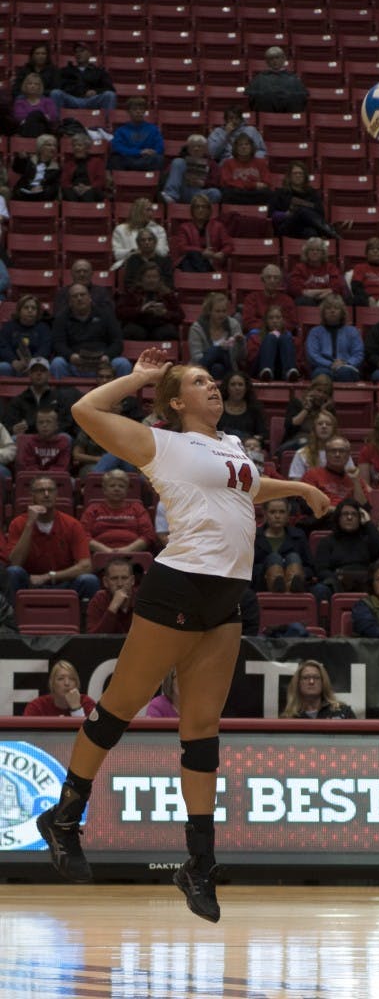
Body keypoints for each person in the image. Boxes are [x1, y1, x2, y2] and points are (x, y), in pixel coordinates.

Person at [35, 348, 329, 923]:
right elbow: (85, 410)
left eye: (215, 380)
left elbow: (244, 487)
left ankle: (199, 862)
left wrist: (296, 491)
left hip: (229, 593)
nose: (214, 387)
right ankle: (66, 815)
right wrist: (140, 378)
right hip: (180, 584)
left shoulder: (232, 446)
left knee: (201, 731)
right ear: (174, 400)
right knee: (119, 706)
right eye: (200, 381)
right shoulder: (159, 443)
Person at [7, 474, 100, 601]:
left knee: (89, 580)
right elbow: (15, 563)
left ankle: (85, 620)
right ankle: (12, 620)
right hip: (29, 582)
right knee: (13, 572)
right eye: (41, 491)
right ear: (32, 495)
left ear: (56, 494)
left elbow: (86, 566)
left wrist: (49, 576)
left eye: (50, 490)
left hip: (63, 582)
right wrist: (29, 525)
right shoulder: (18, 523)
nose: (46, 494)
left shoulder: (72, 524)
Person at [50, 284, 132, 379]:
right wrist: (71, 356)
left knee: (123, 363)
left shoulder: (106, 315)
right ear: (70, 302)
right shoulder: (61, 318)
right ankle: (63, 393)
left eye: (82, 294)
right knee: (57, 363)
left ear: (90, 298)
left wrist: (107, 356)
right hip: (75, 363)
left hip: (103, 364)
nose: (79, 298)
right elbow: (58, 344)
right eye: (75, 296)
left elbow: (117, 342)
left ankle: (121, 394)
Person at [314, 499, 379, 600]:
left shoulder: (367, 539)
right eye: (345, 514)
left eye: (354, 514)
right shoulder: (327, 541)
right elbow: (321, 570)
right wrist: (338, 580)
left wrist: (368, 523)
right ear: (338, 518)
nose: (349, 517)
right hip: (336, 583)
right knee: (320, 589)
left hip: (364, 583)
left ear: (360, 518)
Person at [300, 434, 370, 530]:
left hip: (351, 522)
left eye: (342, 451)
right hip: (323, 522)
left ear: (348, 455)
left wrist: (356, 482)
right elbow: (307, 505)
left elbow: (364, 508)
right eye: (333, 451)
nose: (337, 454)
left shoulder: (356, 478)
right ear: (326, 454)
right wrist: (336, 510)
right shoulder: (312, 475)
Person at [80, 469, 155, 556]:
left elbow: (148, 535)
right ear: (104, 490)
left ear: (127, 490)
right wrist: (106, 551)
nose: (117, 489)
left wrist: (127, 550)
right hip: (99, 554)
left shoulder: (137, 508)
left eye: (121, 486)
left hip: (133, 555)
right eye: (112, 486)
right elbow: (83, 535)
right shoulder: (93, 509)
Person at [3, 357, 80, 437]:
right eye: (35, 371)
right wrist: (13, 429)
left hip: (53, 438)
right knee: (15, 438)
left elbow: (66, 422)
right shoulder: (19, 400)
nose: (39, 373)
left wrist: (54, 430)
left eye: (42, 370)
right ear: (29, 374)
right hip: (28, 439)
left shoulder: (59, 398)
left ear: (49, 374)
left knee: (65, 437)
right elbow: (7, 425)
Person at [252, 498, 314, 593]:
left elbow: (310, 568)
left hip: (298, 586)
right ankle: (278, 588)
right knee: (274, 558)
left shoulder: (299, 535)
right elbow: (249, 569)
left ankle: (291, 587)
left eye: (282, 512)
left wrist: (291, 570)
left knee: (293, 557)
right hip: (262, 584)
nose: (277, 516)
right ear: (265, 513)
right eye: (272, 512)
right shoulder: (254, 537)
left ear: (288, 514)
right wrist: (267, 570)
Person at [268, 160, 336, 239]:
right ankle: (330, 232)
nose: (298, 175)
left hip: (306, 226)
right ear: (289, 176)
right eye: (295, 173)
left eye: (300, 173)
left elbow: (320, 214)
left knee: (311, 232)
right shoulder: (280, 193)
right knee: (301, 211)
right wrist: (286, 214)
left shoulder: (312, 193)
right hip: (287, 227)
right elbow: (272, 215)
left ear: (305, 176)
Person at [116, 263, 183, 340]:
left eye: (155, 277)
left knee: (168, 332)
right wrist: (140, 310)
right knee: (132, 331)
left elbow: (180, 316)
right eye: (148, 277)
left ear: (159, 279)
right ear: (141, 279)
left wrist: (165, 313)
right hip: (138, 325)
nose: (152, 280)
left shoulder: (167, 294)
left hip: (160, 326)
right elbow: (119, 312)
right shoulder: (132, 293)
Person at [306, 294, 364, 382]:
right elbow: (313, 355)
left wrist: (346, 363)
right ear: (323, 312)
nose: (332, 311)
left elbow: (358, 354)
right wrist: (330, 364)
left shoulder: (353, 331)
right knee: (321, 374)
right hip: (322, 367)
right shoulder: (315, 332)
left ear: (342, 312)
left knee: (345, 373)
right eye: (328, 308)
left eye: (336, 308)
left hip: (347, 367)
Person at [50, 41, 116, 117]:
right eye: (76, 52)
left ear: (89, 54)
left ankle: (106, 125)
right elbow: (59, 86)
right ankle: (55, 124)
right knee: (55, 93)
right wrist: (74, 90)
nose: (78, 54)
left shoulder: (99, 71)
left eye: (82, 51)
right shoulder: (66, 70)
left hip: (91, 100)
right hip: (72, 99)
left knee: (110, 95)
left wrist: (95, 91)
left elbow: (110, 88)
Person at [188, 292, 245, 379]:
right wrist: (217, 350)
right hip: (202, 369)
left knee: (220, 359)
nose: (221, 315)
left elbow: (239, 357)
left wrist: (241, 344)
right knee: (217, 366)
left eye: (224, 311)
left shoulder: (234, 325)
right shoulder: (197, 328)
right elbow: (197, 358)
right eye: (218, 311)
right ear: (209, 311)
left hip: (228, 367)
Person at [173, 193, 233, 272]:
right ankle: (202, 276)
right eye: (197, 207)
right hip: (192, 263)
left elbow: (228, 245)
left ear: (209, 210)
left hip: (212, 263)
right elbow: (182, 247)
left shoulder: (218, 226)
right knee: (191, 256)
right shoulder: (184, 227)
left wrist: (222, 253)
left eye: (204, 207)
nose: (200, 210)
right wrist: (202, 252)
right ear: (192, 210)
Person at [288, 409, 354, 479]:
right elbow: (296, 483)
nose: (324, 426)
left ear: (333, 429)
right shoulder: (301, 454)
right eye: (320, 424)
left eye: (328, 424)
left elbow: (351, 479)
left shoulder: (341, 453)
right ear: (314, 429)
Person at [278, 373, 336, 452]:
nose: (321, 395)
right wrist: (307, 408)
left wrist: (323, 410)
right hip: (294, 443)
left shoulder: (328, 408)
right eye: (318, 390)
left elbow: (331, 432)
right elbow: (290, 426)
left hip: (318, 444)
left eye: (325, 393)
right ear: (311, 389)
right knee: (306, 442)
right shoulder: (297, 402)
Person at [281, 659, 355, 719]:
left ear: (323, 682)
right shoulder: (288, 718)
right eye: (306, 678)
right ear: (298, 683)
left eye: (316, 678)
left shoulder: (344, 712)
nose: (311, 682)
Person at [160, 133, 221, 204]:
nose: (196, 149)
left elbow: (216, 182)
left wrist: (204, 183)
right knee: (178, 162)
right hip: (182, 191)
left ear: (205, 149)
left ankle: (200, 209)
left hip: (199, 193)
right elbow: (167, 177)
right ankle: (171, 196)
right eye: (193, 146)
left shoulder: (211, 163)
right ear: (188, 148)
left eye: (199, 146)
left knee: (216, 193)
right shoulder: (180, 161)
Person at [245, 46, 309, 113]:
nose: (274, 61)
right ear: (267, 61)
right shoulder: (258, 79)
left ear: (284, 59)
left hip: (289, 119)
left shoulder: (294, 79)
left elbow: (302, 100)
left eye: (277, 58)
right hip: (265, 119)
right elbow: (252, 101)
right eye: (271, 59)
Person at [111, 198, 169, 271]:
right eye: (148, 210)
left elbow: (163, 253)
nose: (151, 214)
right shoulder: (120, 229)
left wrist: (148, 249)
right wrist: (133, 251)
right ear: (137, 212)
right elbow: (117, 255)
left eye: (152, 210)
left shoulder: (159, 229)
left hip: (153, 265)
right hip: (129, 265)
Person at [246, 304, 300, 382]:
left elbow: (298, 362)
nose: (274, 321)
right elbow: (251, 360)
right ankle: (266, 371)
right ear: (266, 321)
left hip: (282, 370)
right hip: (260, 369)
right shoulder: (255, 337)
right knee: (271, 338)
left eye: (278, 318)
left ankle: (289, 372)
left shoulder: (291, 339)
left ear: (283, 320)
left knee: (284, 338)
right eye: (271, 318)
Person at [23, 660, 96, 718]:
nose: (67, 683)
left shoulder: (87, 703)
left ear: (77, 684)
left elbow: (93, 734)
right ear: (52, 684)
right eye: (60, 679)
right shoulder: (37, 707)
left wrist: (76, 709)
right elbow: (26, 735)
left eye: (72, 679)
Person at [0, 295, 52, 376]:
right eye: (26, 307)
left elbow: (45, 348)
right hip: (13, 365)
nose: (30, 310)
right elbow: (3, 347)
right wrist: (13, 361)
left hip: (36, 365)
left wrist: (32, 363)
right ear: (19, 310)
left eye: (33, 308)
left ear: (37, 312)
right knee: (3, 367)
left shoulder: (43, 328)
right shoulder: (8, 327)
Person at [108, 96, 164, 172]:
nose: (138, 112)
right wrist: (139, 152)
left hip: (146, 160)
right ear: (128, 112)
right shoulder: (121, 130)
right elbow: (118, 147)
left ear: (144, 111)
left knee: (158, 158)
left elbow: (160, 147)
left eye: (141, 109)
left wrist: (153, 152)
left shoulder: (153, 129)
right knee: (115, 159)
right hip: (128, 159)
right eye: (134, 109)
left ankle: (152, 182)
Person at [86, 556, 137, 635]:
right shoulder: (98, 600)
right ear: (105, 582)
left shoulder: (142, 600)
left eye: (124, 578)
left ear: (132, 581)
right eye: (114, 578)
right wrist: (113, 607)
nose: (120, 584)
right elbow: (94, 640)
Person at [241, 264, 298, 334]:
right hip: (259, 332)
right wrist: (268, 327)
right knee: (253, 333)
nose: (272, 280)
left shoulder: (287, 300)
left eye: (276, 278)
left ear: (280, 281)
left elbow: (291, 322)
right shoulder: (251, 298)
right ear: (263, 279)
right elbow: (248, 321)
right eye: (268, 277)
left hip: (280, 333)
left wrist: (276, 329)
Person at [287, 237, 346, 304]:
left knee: (333, 300)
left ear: (323, 253)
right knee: (303, 301)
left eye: (318, 250)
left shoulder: (331, 268)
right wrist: (325, 290)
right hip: (307, 300)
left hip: (326, 299)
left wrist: (310, 292)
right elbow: (294, 288)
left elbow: (337, 287)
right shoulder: (299, 268)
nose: (315, 252)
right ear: (306, 252)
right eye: (311, 250)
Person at [16, 407, 71, 473]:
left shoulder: (63, 442)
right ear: (36, 425)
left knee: (72, 481)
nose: (44, 425)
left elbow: (62, 466)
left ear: (56, 425)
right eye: (40, 422)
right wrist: (42, 477)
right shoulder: (30, 442)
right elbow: (29, 467)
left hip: (57, 477)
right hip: (33, 478)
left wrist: (47, 476)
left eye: (49, 422)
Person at [219, 134, 271, 205]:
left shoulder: (261, 162)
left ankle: (261, 213)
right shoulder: (228, 163)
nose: (244, 147)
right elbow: (227, 183)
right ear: (236, 148)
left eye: (247, 144)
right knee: (227, 193)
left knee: (267, 193)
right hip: (237, 193)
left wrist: (246, 186)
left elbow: (267, 182)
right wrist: (252, 185)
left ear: (251, 147)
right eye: (240, 145)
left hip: (255, 194)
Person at [216, 371, 267, 443]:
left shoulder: (254, 408)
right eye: (233, 385)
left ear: (246, 388)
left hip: (247, 447)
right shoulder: (217, 408)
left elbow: (263, 434)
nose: (237, 388)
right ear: (227, 387)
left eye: (240, 385)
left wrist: (252, 440)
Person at [11, 133, 61, 201]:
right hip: (25, 191)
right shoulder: (29, 161)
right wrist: (20, 159)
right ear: (40, 147)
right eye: (49, 145)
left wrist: (42, 189)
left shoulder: (56, 167)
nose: (53, 148)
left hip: (42, 194)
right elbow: (16, 169)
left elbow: (54, 186)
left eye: (54, 145)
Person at [61, 132, 107, 202]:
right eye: (74, 145)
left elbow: (101, 180)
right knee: (68, 193)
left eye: (79, 145)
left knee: (89, 194)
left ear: (87, 148)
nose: (76, 148)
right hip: (73, 188)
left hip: (92, 188)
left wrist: (89, 187)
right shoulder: (68, 162)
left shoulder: (97, 161)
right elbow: (64, 181)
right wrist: (73, 187)